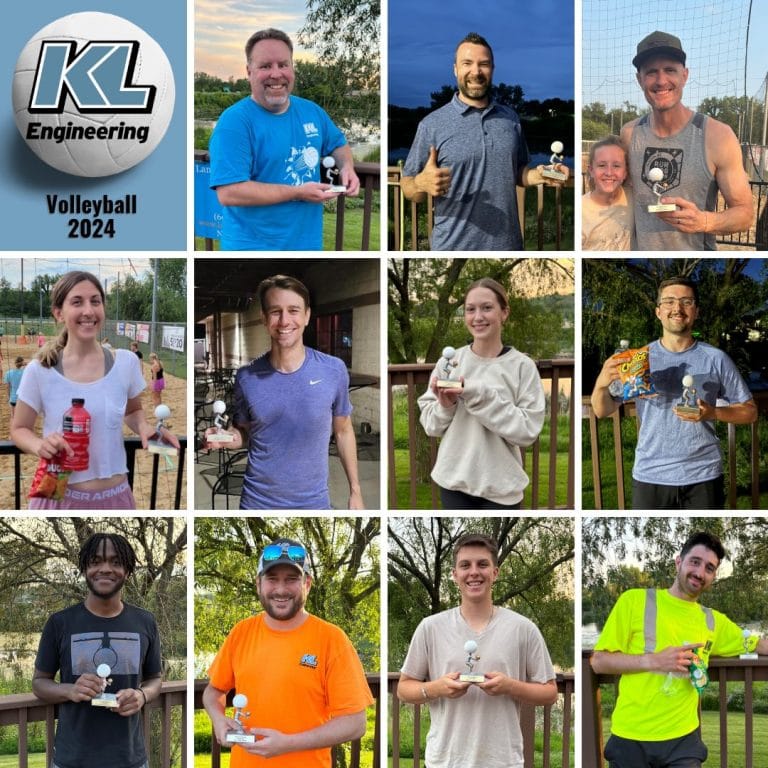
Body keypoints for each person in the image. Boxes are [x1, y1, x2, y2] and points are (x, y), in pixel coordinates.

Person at [591, 530, 768, 768]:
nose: (700, 572)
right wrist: (654, 661)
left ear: (714, 576)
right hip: (630, 737)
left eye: (709, 568)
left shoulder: (713, 621)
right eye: (695, 562)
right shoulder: (634, 601)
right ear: (679, 562)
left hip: (682, 742)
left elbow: (757, 643)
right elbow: (599, 661)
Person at [10, 271, 179, 510]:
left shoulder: (126, 362)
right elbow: (19, 429)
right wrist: (39, 446)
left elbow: (132, 411)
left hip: (116, 496)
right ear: (59, 313)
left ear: (103, 308)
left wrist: (144, 427)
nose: (88, 311)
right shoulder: (39, 370)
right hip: (55, 492)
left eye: (95, 301)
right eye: (77, 302)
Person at [202, 537, 373, 768]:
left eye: (292, 579)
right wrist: (219, 720)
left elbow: (355, 723)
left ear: (307, 584)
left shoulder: (332, 639)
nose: (281, 590)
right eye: (272, 579)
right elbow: (213, 692)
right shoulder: (240, 633)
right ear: (258, 583)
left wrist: (288, 743)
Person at [590, 276, 757, 509]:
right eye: (669, 301)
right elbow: (602, 410)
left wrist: (712, 413)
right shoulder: (639, 359)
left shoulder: (716, 359)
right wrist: (601, 383)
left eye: (686, 301)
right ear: (658, 311)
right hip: (650, 475)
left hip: (703, 475)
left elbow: (750, 412)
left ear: (696, 311)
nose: (677, 308)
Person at [397, 532, 557, 768]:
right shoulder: (430, 627)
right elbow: (403, 688)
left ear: (495, 572)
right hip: (445, 761)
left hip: (503, 762)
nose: (474, 572)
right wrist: (437, 688)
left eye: (482, 564)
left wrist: (510, 686)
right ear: (454, 574)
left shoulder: (524, 628)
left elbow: (550, 692)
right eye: (465, 565)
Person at [205, 274, 364, 510]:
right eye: (275, 311)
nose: (284, 320)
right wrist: (224, 438)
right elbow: (246, 435)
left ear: (307, 315)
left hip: (314, 503)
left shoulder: (333, 370)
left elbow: (343, 432)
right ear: (264, 318)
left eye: (293, 310)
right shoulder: (246, 377)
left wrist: (355, 492)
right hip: (256, 502)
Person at [400, 32, 570, 251]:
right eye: (467, 63)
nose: (476, 71)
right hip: (452, 247)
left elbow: (518, 172)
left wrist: (544, 173)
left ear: (492, 69)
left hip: (508, 246)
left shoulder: (510, 118)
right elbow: (407, 185)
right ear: (455, 69)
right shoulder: (431, 124)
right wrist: (421, 183)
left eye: (484, 64)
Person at [208, 28, 360, 251]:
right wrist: (298, 192)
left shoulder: (312, 112)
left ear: (292, 68)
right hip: (251, 248)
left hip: (307, 246)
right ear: (249, 71)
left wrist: (347, 167)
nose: (276, 74)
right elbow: (229, 192)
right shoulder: (234, 122)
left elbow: (338, 144)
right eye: (265, 66)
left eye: (283, 64)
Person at [32, 532, 163, 768]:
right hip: (72, 760)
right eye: (95, 562)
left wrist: (142, 696)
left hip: (130, 760)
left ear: (128, 571)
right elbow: (40, 683)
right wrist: (70, 690)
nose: (105, 569)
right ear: (84, 569)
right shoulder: (60, 623)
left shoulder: (145, 622)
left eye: (115, 562)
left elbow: (155, 678)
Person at [417, 278, 545, 509]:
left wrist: (478, 394)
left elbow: (526, 432)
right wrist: (445, 406)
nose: (478, 317)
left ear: (504, 312)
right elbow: (431, 427)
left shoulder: (522, 366)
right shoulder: (450, 362)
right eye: (470, 309)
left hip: (503, 488)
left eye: (487, 308)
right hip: (454, 483)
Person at [621, 31, 753, 250]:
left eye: (670, 70)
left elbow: (746, 214)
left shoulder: (717, 135)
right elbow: (615, 190)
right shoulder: (629, 133)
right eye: (652, 72)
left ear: (685, 75)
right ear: (639, 79)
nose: (661, 80)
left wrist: (704, 221)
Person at [582, 135, 633, 250]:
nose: (609, 172)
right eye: (601, 165)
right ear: (591, 171)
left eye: (616, 166)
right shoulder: (581, 210)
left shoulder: (633, 199)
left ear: (625, 172)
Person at [3, 355, 25, 420]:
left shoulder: (8, 373)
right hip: (22, 399)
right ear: (22, 364)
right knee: (21, 417)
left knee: (13, 416)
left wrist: (9, 397)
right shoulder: (25, 373)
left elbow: (8, 387)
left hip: (13, 398)